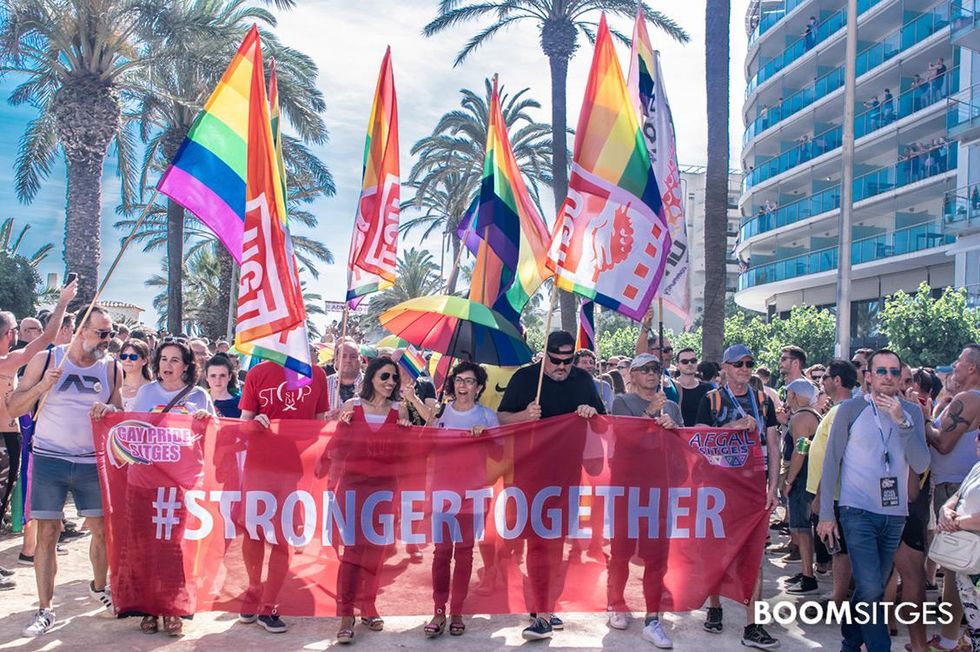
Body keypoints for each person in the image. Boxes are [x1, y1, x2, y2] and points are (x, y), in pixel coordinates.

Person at [7, 303, 120, 637]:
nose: (106, 339)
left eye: (110, 333)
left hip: (90, 461)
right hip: (48, 459)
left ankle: (100, 587)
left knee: (100, 531)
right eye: (101, 333)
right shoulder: (48, 360)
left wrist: (111, 409)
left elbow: (119, 410)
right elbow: (13, 406)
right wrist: (43, 387)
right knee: (48, 534)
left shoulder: (110, 368)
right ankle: (45, 609)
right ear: (82, 330)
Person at [817, 349, 930, 652]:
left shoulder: (912, 412)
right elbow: (831, 462)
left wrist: (901, 420)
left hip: (895, 514)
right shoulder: (851, 409)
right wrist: (826, 513)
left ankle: (849, 643)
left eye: (894, 372)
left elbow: (920, 463)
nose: (888, 378)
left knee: (873, 587)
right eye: (881, 371)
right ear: (868, 376)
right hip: (856, 511)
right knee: (869, 586)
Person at [498, 330, 606, 641]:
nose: (561, 367)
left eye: (567, 361)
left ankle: (544, 608)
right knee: (535, 542)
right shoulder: (524, 379)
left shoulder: (583, 381)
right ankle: (541, 611)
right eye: (555, 360)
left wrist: (591, 413)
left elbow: (604, 423)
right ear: (543, 355)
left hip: (566, 475)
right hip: (527, 473)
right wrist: (523, 416)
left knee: (555, 544)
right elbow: (501, 418)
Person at [114, 339, 216, 636]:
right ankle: (148, 608)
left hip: (178, 485)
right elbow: (128, 428)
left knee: (173, 548)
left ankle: (174, 609)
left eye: (175, 360)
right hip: (143, 482)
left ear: (186, 366)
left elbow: (213, 435)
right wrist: (105, 411)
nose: (167, 365)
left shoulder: (199, 396)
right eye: (163, 359)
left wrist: (206, 422)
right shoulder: (146, 393)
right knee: (143, 547)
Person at [695, 344, 780, 649]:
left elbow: (773, 444)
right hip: (719, 487)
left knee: (755, 554)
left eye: (749, 363)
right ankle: (715, 606)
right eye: (739, 364)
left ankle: (753, 625)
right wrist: (732, 427)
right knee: (716, 550)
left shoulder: (763, 400)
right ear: (726, 368)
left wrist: (774, 486)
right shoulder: (712, 399)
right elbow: (700, 442)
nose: (745, 368)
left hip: (754, 487)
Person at [321, 356, 410, 644]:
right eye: (385, 376)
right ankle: (346, 612)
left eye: (394, 378)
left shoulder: (400, 410)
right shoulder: (352, 407)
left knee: (377, 551)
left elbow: (411, 450)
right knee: (353, 552)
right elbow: (336, 449)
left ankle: (368, 606)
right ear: (371, 377)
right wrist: (340, 426)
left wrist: (408, 429)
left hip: (385, 489)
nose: (390, 383)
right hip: (353, 488)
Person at [237, 357, 330, 633]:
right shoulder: (258, 372)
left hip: (295, 470)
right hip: (259, 466)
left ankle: (269, 607)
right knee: (253, 532)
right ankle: (253, 591)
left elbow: (319, 426)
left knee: (282, 535)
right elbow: (243, 424)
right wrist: (256, 424)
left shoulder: (317, 374)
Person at [606, 353, 680, 648]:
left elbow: (681, 448)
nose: (652, 373)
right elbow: (624, 437)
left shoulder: (672, 405)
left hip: (660, 488)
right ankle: (616, 603)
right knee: (621, 550)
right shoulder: (621, 402)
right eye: (645, 369)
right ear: (632, 375)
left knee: (656, 555)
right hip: (626, 487)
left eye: (656, 369)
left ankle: (653, 619)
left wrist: (673, 430)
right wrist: (650, 413)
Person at [423, 361, 500, 638]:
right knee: (441, 552)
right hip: (442, 493)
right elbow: (425, 447)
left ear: (478, 388)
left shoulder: (488, 417)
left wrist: (486, 437)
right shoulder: (441, 413)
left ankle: (458, 610)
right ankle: (438, 610)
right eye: (459, 380)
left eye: (469, 381)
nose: (463, 386)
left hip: (473, 494)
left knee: (465, 553)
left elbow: (499, 456)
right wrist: (429, 422)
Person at [924, 345, 980, 652]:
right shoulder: (963, 398)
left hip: (957, 490)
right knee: (958, 573)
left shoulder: (969, 399)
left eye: (958, 362)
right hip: (958, 487)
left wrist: (921, 419)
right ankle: (953, 637)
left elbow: (943, 443)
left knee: (958, 569)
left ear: (972, 367)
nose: (954, 367)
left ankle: (949, 640)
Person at [806, 360, 859, 608]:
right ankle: (843, 592)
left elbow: (834, 457)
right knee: (839, 548)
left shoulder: (842, 410)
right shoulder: (839, 408)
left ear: (837, 380)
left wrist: (820, 496)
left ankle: (838, 598)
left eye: (825, 376)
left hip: (835, 493)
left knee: (840, 549)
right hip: (833, 492)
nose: (822, 381)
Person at [936, 435, 980, 652]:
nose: (976, 441)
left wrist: (958, 522)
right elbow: (958, 494)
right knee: (975, 623)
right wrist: (946, 510)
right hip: (968, 559)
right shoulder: (977, 467)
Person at [781, 379, 822, 595]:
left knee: (803, 529)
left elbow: (801, 449)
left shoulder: (802, 417)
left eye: (788, 394)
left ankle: (808, 576)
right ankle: (807, 571)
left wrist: (789, 480)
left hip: (804, 478)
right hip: (811, 476)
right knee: (804, 528)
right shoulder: (812, 415)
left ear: (794, 395)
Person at [674, 347, 711, 426]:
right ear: (677, 365)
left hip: (702, 435)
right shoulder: (671, 388)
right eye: (685, 362)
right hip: (676, 435)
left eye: (693, 361)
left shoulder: (708, 389)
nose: (690, 364)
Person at [327, 339, 363, 411]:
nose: (348, 360)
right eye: (343, 356)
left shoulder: (372, 384)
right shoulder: (324, 384)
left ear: (361, 359)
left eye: (353, 356)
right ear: (336, 359)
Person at [117, 338, 152, 411]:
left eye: (133, 357)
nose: (127, 360)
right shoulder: (114, 388)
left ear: (144, 361)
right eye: (124, 356)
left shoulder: (152, 389)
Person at [205, 354, 241, 418]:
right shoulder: (198, 398)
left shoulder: (239, 403)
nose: (217, 380)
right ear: (206, 377)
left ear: (229, 377)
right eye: (213, 376)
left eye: (222, 376)